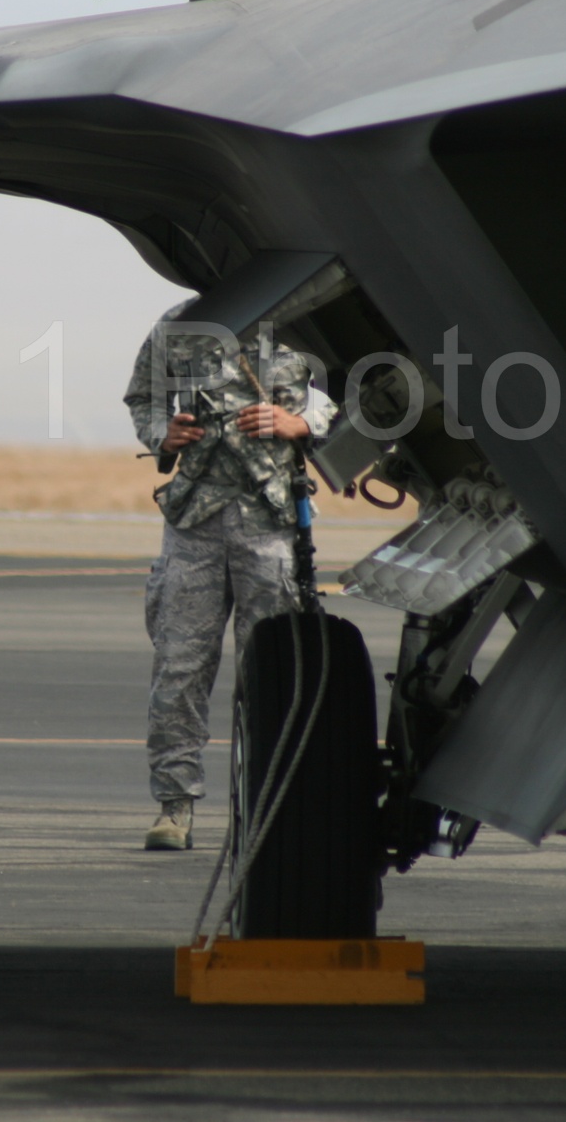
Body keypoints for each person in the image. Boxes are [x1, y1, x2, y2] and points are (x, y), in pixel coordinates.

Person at [124, 306, 335, 851]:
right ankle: (175, 809)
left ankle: (263, 809)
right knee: (178, 669)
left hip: (270, 525)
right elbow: (142, 398)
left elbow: (353, 386)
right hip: (193, 523)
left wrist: (303, 423)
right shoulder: (179, 325)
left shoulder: (308, 315)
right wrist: (163, 435)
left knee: (270, 671)